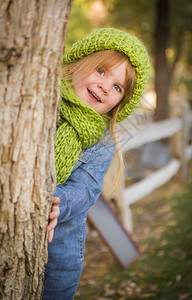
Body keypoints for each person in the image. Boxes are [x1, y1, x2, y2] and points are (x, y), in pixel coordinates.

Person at [43, 28, 150, 300]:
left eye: (117, 87)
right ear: (81, 60)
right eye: (101, 71)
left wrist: (59, 202)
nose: (105, 86)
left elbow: (87, 189)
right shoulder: (42, 105)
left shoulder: (102, 141)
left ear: (120, 103)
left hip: (59, 256)